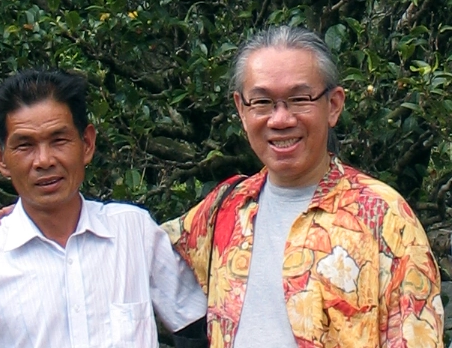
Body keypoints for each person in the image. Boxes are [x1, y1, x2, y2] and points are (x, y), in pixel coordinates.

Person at [162, 26, 443, 348]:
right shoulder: (223, 208)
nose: (280, 119)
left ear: (334, 105)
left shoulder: (383, 216)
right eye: (263, 102)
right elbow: (139, 253)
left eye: (298, 99)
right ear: (241, 109)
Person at [0, 67, 207, 347]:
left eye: (59, 140)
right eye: (25, 145)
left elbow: (200, 327)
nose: (43, 160)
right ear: (0, 157)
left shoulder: (134, 232)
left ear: (87, 143)